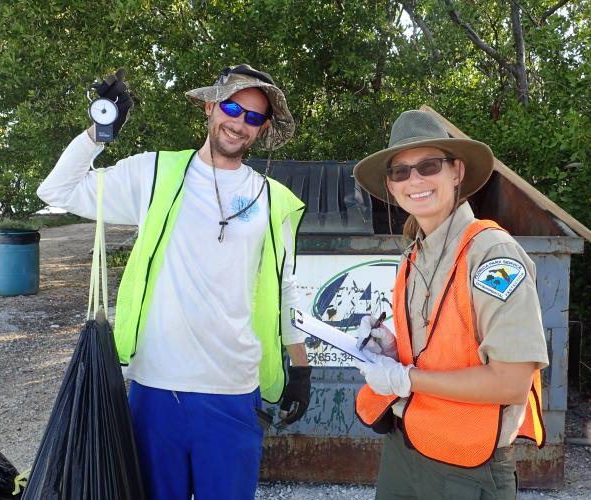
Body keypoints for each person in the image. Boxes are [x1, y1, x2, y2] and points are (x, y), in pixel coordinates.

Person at [37, 64, 311, 499]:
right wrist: (99, 130)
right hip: (156, 388)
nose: (239, 123)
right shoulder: (153, 173)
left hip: (234, 390)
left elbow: (285, 288)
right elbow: (58, 191)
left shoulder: (270, 199)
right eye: (232, 108)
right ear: (210, 106)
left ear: (263, 129)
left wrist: (301, 367)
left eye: (253, 117)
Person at [350, 110, 548, 500]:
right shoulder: (412, 258)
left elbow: (511, 383)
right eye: (401, 172)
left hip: (466, 469)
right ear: (391, 187)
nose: (415, 180)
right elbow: (441, 349)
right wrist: (391, 350)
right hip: (404, 452)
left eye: (428, 166)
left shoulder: (492, 255)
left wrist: (406, 379)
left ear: (456, 172)